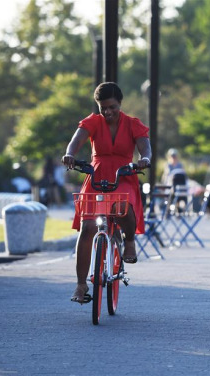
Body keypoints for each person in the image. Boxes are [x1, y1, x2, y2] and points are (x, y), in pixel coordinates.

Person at [62, 82, 151, 304]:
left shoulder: (133, 124)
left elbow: (145, 147)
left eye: (112, 106)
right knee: (88, 227)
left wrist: (144, 160)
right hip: (97, 175)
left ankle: (129, 240)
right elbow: (75, 142)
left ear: (120, 103)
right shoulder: (92, 122)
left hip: (123, 175)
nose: (108, 111)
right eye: (103, 108)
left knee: (123, 207)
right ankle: (81, 285)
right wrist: (69, 154)